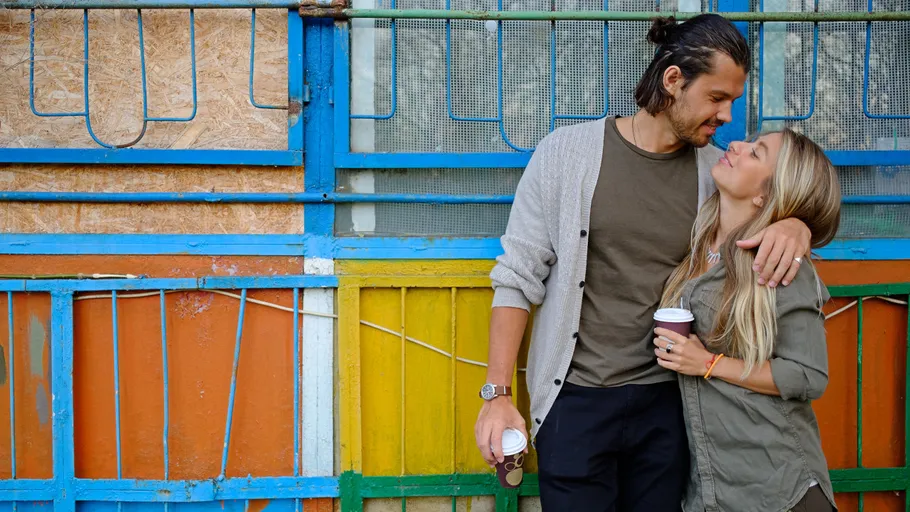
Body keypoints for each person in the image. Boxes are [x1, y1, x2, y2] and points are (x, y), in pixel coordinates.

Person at [474, 14, 814, 511]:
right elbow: (518, 276)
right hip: (574, 401)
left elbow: (784, 200)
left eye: (733, 102)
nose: (726, 115)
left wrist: (798, 224)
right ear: (674, 80)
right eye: (717, 98)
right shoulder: (567, 154)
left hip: (670, 407)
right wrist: (497, 395)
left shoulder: (715, 178)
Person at [653, 129, 840, 512]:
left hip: (777, 489)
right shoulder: (698, 249)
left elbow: (808, 375)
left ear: (765, 195)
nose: (735, 146)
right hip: (712, 489)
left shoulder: (779, 265)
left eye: (756, 153)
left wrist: (709, 364)